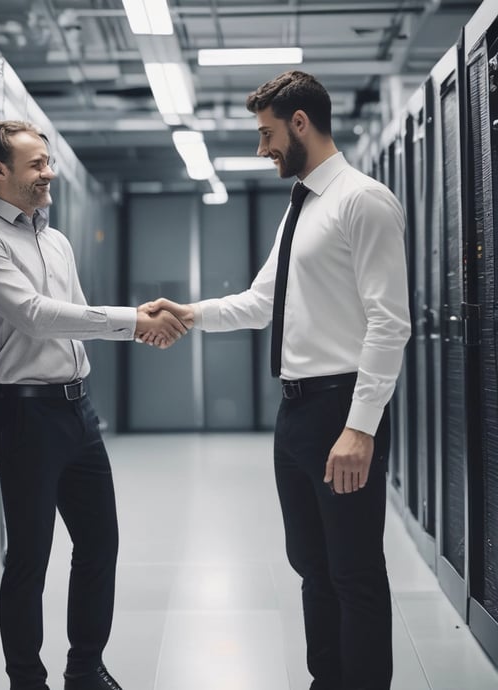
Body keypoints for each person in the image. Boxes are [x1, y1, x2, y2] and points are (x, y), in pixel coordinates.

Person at [146, 71, 411, 690]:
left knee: (354, 571)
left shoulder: (361, 199)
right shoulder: (302, 207)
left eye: (266, 135)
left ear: (299, 124)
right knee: (312, 566)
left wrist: (360, 429)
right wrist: (193, 314)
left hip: (341, 409)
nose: (262, 148)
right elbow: (266, 300)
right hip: (295, 413)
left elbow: (389, 323)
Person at [0, 120, 188, 690]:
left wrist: (138, 331)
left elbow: (77, 318)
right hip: (24, 415)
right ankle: (26, 680)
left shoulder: (54, 239)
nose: (49, 172)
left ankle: (85, 668)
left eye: (49, 162)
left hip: (76, 413)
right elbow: (34, 314)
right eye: (37, 165)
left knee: (100, 543)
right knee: (30, 558)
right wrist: (135, 322)